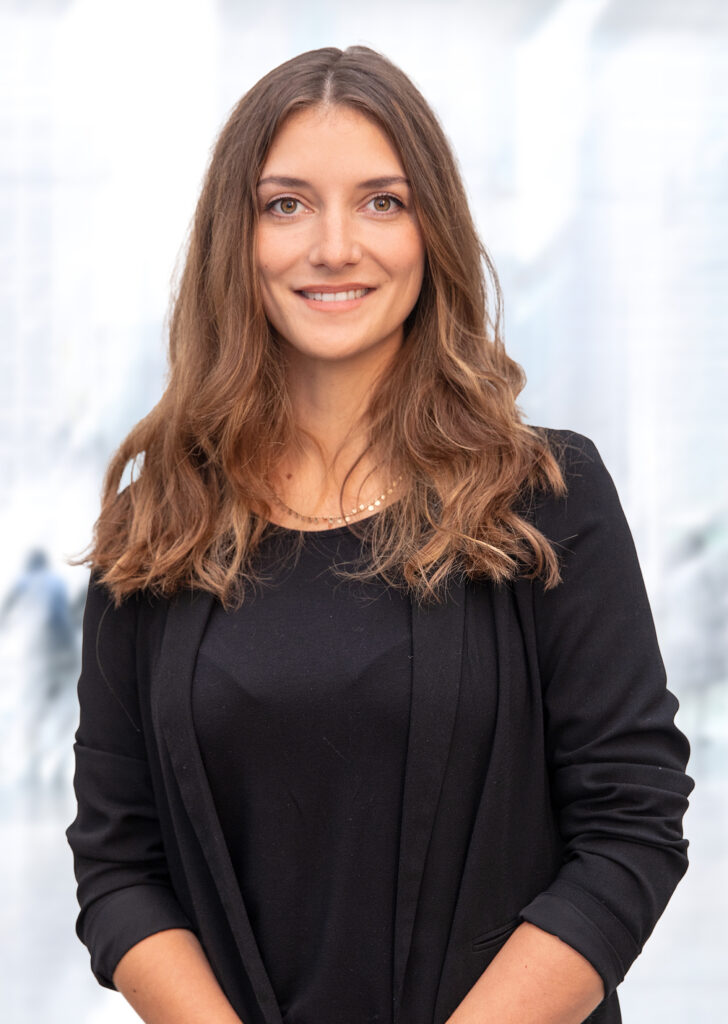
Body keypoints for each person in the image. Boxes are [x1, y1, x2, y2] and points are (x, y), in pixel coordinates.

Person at [66, 46, 693, 1024]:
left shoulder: (545, 497)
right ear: (235, 238)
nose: (333, 246)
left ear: (430, 230)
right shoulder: (157, 525)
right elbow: (118, 867)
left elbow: (630, 828)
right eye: (286, 204)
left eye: (381, 202)